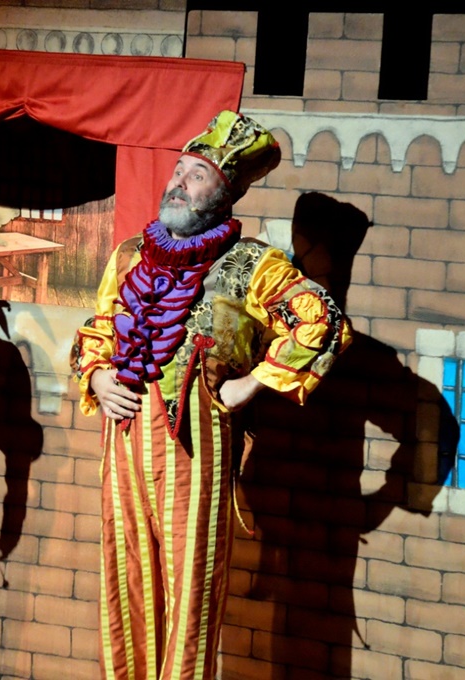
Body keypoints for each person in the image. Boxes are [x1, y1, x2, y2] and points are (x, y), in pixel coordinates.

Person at [71, 111, 353, 680]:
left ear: (224, 194)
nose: (179, 182)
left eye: (197, 175)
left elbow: (321, 322)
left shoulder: (252, 264)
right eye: (179, 170)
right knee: (125, 580)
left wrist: (252, 384)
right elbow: (97, 330)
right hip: (123, 447)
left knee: (191, 592)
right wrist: (97, 376)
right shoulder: (129, 255)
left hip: (195, 450)